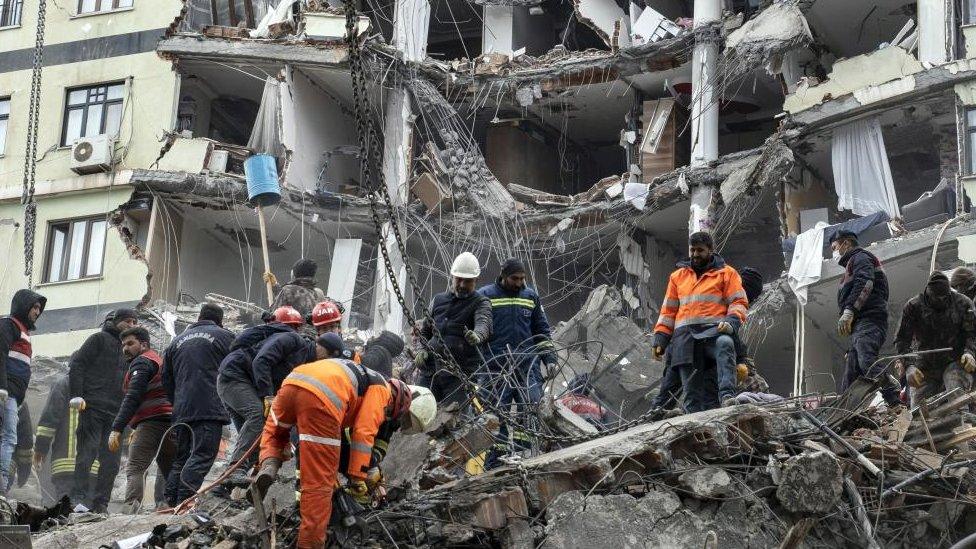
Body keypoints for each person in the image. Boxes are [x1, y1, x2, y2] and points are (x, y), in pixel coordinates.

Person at [252, 356, 423, 548]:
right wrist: (357, 476)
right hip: (322, 400)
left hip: (292, 382)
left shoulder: (364, 376)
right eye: (390, 413)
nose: (386, 416)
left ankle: (269, 464)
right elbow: (363, 433)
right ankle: (310, 545)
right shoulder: (382, 391)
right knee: (319, 486)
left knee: (275, 434)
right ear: (397, 402)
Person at [652, 232, 748, 412]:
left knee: (725, 343)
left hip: (713, 334)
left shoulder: (727, 274)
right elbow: (668, 311)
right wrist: (660, 339)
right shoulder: (677, 277)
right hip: (685, 341)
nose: (695, 254)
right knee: (691, 395)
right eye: (692, 250)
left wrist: (731, 322)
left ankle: (727, 396)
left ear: (711, 250)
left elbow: (739, 302)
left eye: (700, 250)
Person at [477, 258, 556, 469]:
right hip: (495, 368)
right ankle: (495, 466)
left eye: (522, 278)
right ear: (503, 275)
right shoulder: (485, 296)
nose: (520, 283)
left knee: (530, 411)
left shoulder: (530, 297)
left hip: (526, 367)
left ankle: (526, 460)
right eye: (515, 278)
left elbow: (541, 330)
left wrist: (549, 359)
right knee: (495, 417)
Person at [162, 304, 235, 507]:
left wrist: (177, 401)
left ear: (199, 317)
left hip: (181, 410)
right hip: (209, 408)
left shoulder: (175, 342)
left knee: (181, 457)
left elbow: (165, 378)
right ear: (219, 320)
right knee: (202, 454)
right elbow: (238, 366)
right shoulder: (225, 336)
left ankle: (170, 503)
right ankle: (184, 502)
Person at [218, 306, 304, 473]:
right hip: (235, 378)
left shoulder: (265, 337)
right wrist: (268, 397)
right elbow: (260, 363)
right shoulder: (288, 339)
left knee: (256, 435)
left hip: (231, 379)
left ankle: (234, 480)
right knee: (257, 414)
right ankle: (235, 470)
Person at [69, 308, 138, 512]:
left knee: (111, 462)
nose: (132, 325)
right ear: (116, 322)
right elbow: (78, 365)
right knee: (86, 454)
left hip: (117, 415)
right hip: (92, 407)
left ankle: (101, 504)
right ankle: (77, 499)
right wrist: (77, 394)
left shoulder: (130, 351)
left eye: (135, 322)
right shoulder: (98, 340)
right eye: (128, 321)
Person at [413, 252, 492, 406]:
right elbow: (425, 331)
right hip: (430, 371)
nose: (462, 285)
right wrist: (421, 349)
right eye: (459, 279)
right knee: (419, 412)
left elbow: (484, 324)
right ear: (452, 277)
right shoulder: (438, 300)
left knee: (455, 421)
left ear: (476, 280)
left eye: (467, 281)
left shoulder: (481, 302)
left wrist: (477, 335)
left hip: (459, 376)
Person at [109, 327, 175, 510]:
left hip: (151, 422)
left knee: (135, 467)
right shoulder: (159, 361)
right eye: (123, 345)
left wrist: (117, 427)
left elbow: (133, 396)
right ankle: (171, 507)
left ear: (144, 344)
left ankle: (131, 508)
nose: (125, 349)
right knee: (169, 468)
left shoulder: (142, 362)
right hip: (170, 423)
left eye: (130, 343)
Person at [830, 230, 897, 405]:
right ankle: (845, 411)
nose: (834, 253)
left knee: (867, 361)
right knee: (851, 374)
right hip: (861, 325)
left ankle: (894, 397)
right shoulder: (851, 265)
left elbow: (865, 282)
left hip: (869, 320)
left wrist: (850, 310)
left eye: (834, 247)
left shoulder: (860, 258)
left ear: (846, 244)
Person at [894, 272, 976, 407]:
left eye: (945, 298)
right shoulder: (913, 307)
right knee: (919, 409)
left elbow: (972, 333)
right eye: (937, 298)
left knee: (954, 386)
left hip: (956, 359)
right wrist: (909, 365)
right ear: (928, 293)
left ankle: (963, 423)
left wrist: (970, 353)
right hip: (926, 363)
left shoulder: (963, 303)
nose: (941, 301)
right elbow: (902, 339)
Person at [0, 289, 46, 492]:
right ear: (23, 305)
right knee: (8, 437)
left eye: (39, 308)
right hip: (6, 393)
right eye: (34, 307)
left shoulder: (23, 333)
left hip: (12, 395)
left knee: (9, 437)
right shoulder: (8, 325)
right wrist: (2, 387)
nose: (37, 312)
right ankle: (0, 482)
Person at [34, 376, 99, 505]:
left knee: (67, 512)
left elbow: (49, 420)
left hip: (66, 466)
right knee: (88, 512)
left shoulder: (63, 383)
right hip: (93, 467)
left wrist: (40, 450)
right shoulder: (101, 384)